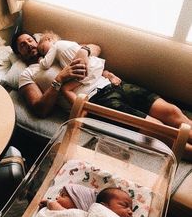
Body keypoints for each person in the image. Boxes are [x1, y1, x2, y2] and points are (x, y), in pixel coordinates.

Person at [11, 31, 192, 161]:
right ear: (19, 54)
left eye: (29, 40)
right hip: (96, 100)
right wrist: (60, 79)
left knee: (173, 112)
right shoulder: (28, 74)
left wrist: (84, 52)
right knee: (159, 130)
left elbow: (96, 47)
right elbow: (39, 109)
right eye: (23, 46)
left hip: (114, 83)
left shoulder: (57, 47)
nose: (29, 45)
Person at [37, 30, 120, 104]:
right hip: (94, 64)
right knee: (95, 69)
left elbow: (45, 64)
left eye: (43, 50)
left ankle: (81, 107)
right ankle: (108, 75)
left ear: (48, 39)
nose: (45, 54)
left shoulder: (55, 46)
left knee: (65, 89)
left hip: (84, 72)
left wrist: (40, 59)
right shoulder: (69, 43)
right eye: (43, 54)